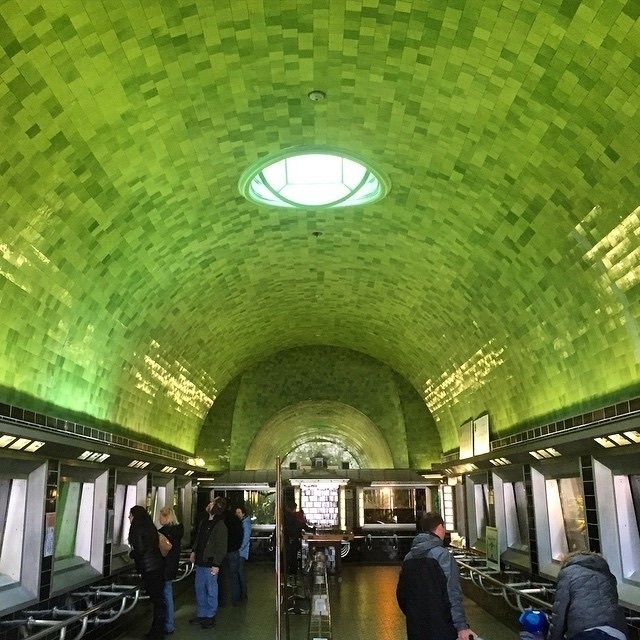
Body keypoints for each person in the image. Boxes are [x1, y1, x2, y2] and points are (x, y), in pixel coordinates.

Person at [396, 512, 476, 640]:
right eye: (444, 528)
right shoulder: (442, 556)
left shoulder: (408, 557)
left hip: (416, 627)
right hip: (442, 627)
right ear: (439, 527)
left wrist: (415, 614)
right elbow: (452, 594)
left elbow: (401, 594)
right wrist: (461, 627)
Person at [547, 551, 628, 640]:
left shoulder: (567, 573)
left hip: (586, 632)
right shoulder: (607, 574)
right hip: (617, 632)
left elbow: (559, 616)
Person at [188, 497, 228, 629]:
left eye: (212, 503)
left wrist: (216, 564)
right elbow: (199, 539)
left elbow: (221, 547)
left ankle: (210, 616)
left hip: (210, 563)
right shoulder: (204, 522)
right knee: (199, 589)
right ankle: (202, 614)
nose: (209, 504)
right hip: (201, 561)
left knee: (211, 590)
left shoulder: (220, 526)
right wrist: (194, 551)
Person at [128, 505, 166, 640]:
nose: (128, 517)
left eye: (130, 515)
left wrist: (132, 554)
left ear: (135, 516)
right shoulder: (150, 526)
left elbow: (140, 550)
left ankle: (156, 633)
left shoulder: (137, 528)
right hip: (157, 566)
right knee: (159, 601)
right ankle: (158, 631)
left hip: (149, 569)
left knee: (157, 601)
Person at [158, 507, 184, 636]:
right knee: (168, 595)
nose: (159, 519)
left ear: (166, 517)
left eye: (160, 516)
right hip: (172, 566)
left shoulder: (164, 533)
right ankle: (169, 624)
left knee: (165, 596)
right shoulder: (177, 531)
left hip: (164, 567)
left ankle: (167, 624)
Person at [218, 500, 244, 607]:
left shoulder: (221, 520)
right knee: (234, 576)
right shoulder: (236, 520)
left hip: (223, 551)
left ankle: (222, 600)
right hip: (234, 551)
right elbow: (241, 534)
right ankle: (235, 599)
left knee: (222, 577)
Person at [284, 501, 315, 577]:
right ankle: (292, 572)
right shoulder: (291, 517)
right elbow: (300, 524)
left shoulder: (285, 516)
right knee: (292, 557)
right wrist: (310, 529)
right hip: (292, 540)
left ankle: (290, 572)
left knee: (290, 556)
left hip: (288, 539)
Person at [236, 504, 251, 601]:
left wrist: (240, 548)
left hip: (242, 552)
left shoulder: (245, 523)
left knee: (240, 571)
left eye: (239, 512)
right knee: (239, 571)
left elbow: (246, 537)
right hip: (242, 551)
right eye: (236, 512)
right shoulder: (245, 522)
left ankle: (243, 592)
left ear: (243, 513)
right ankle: (242, 592)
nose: (237, 514)